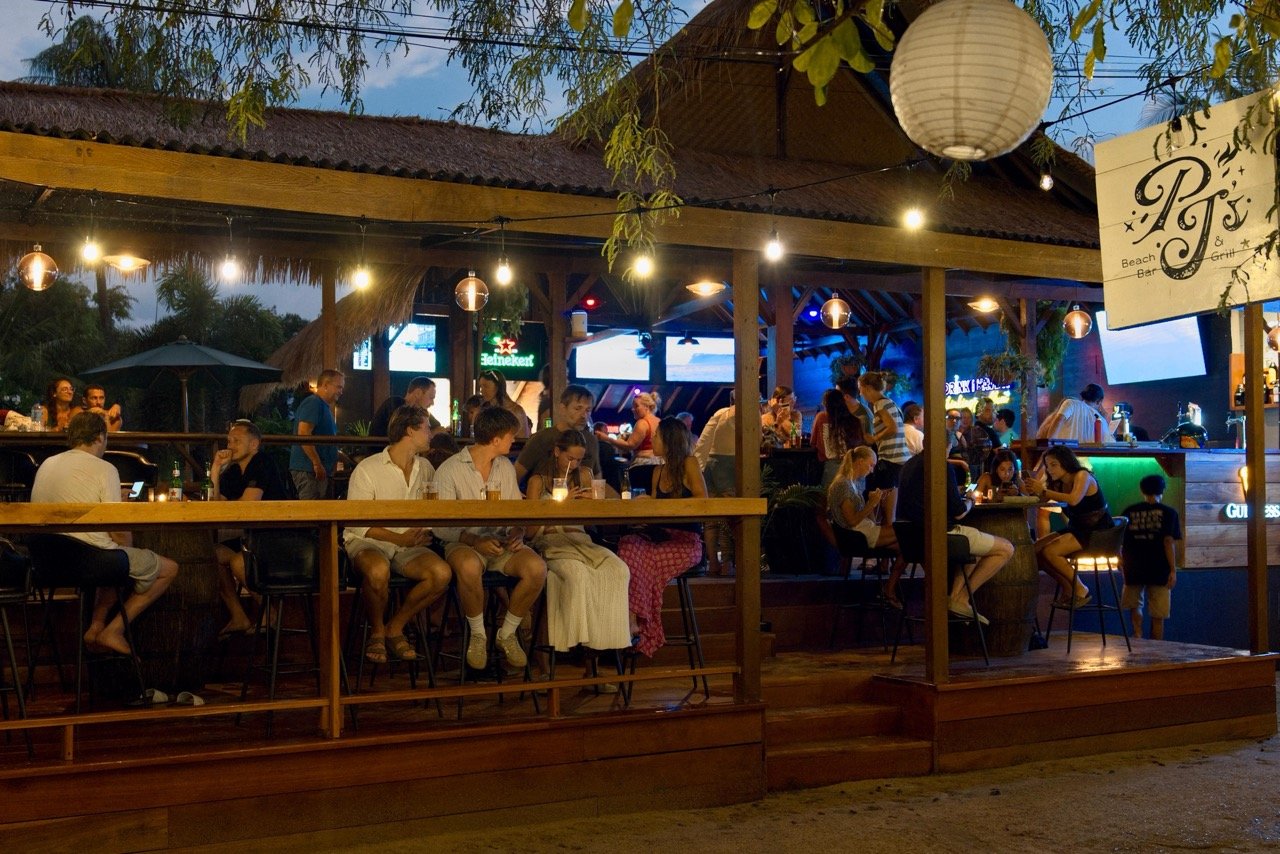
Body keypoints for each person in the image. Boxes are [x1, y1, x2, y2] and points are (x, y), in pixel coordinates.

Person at [30, 411, 179, 654]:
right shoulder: (104, 468)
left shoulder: (47, 463)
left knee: (113, 555)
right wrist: (126, 541)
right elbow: (119, 533)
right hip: (88, 562)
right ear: (100, 437)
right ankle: (114, 630)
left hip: (46, 561)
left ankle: (96, 626)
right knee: (165, 568)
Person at [434, 407, 547, 670]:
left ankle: (506, 633)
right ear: (496, 439)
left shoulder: (505, 467)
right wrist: (474, 541)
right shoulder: (450, 470)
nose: (514, 441)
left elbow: (512, 513)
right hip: (463, 542)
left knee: (537, 568)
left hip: (499, 542)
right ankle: (477, 635)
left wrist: (517, 532)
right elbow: (439, 526)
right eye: (510, 436)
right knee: (469, 565)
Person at [344, 405, 453, 664]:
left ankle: (395, 626)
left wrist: (426, 529)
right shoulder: (368, 468)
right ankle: (378, 632)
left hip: (409, 545)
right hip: (369, 540)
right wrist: (400, 538)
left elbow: (432, 510)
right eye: (426, 428)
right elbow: (356, 523)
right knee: (378, 570)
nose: (431, 434)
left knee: (441, 573)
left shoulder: (425, 467)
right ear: (410, 430)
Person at [525, 430, 631, 656]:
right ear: (556, 452)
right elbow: (530, 532)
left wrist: (594, 504)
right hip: (551, 543)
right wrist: (558, 507)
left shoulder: (584, 475)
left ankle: (606, 645)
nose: (573, 465)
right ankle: (578, 645)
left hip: (581, 541)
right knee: (577, 574)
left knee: (618, 569)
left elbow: (613, 503)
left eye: (579, 459)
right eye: (569, 458)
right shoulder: (538, 482)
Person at [617, 417, 708, 656]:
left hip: (685, 541)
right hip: (660, 537)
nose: (653, 439)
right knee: (627, 544)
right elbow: (658, 513)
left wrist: (658, 507)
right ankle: (634, 618)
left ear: (669, 440)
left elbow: (702, 501)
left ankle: (639, 623)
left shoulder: (689, 463)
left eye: (657, 436)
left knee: (643, 560)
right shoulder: (657, 471)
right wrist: (646, 509)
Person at [897, 450, 1014, 623]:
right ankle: (961, 599)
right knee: (1006, 548)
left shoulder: (907, 465)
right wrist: (969, 501)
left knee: (977, 548)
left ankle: (955, 597)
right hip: (941, 535)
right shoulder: (941, 466)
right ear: (948, 445)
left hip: (911, 538)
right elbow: (959, 513)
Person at [210, 418, 290, 637]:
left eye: (236, 440)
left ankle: (270, 612)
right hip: (253, 537)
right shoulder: (234, 471)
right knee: (211, 554)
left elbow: (249, 505)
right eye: (228, 440)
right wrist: (216, 469)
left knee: (238, 561)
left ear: (254, 444)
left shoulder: (263, 462)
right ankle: (239, 616)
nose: (230, 445)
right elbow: (216, 506)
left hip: (280, 539)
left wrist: (228, 505)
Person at [1025, 445, 1115, 607]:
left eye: (1054, 465)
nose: (1050, 469)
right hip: (1078, 527)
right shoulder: (1058, 483)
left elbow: (1073, 499)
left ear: (1066, 463)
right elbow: (1044, 500)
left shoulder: (1082, 475)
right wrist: (1027, 491)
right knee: (1034, 552)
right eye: (1047, 465)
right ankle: (1069, 588)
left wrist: (1043, 492)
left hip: (1097, 531)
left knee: (1050, 551)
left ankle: (1081, 588)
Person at [827, 446, 902, 606]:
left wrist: (874, 503)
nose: (872, 470)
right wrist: (871, 503)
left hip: (863, 531)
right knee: (909, 536)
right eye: (870, 465)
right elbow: (852, 521)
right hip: (855, 537)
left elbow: (870, 521)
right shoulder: (842, 485)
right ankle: (889, 591)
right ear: (860, 462)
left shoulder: (855, 483)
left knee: (906, 546)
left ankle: (889, 589)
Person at [1120, 474, 1181, 640]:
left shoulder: (1129, 511)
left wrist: (1120, 560)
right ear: (1163, 491)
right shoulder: (1169, 513)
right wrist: (1172, 570)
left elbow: (1120, 540)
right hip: (1159, 566)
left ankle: (1138, 634)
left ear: (1142, 490)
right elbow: (1168, 541)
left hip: (1133, 565)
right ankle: (1156, 646)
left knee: (1134, 604)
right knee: (1158, 612)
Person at [515, 384, 602, 481]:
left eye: (588, 410)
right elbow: (514, 477)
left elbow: (597, 480)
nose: (584, 415)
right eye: (578, 409)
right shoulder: (541, 439)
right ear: (563, 408)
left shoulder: (591, 440)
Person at [859, 371, 911, 526]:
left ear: (868, 388)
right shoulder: (890, 402)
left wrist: (873, 438)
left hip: (891, 460)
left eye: (860, 389)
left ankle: (888, 544)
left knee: (887, 514)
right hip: (899, 459)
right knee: (889, 511)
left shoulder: (880, 404)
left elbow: (892, 428)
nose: (861, 394)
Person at [693, 393, 736, 576]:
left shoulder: (720, 412)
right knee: (727, 516)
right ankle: (726, 564)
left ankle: (712, 564)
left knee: (711, 519)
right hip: (728, 465)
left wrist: (698, 468)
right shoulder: (748, 413)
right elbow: (756, 441)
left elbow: (703, 441)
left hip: (709, 464)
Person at [288, 369, 344, 499]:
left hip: (316, 470)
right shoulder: (313, 403)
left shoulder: (323, 407)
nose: (341, 391)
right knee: (311, 512)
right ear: (325, 385)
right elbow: (303, 433)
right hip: (309, 470)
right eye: (339, 387)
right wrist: (316, 463)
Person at [812, 388, 867, 488]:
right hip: (853, 465)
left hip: (831, 466)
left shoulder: (821, 417)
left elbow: (813, 441)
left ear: (825, 403)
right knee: (853, 500)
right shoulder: (855, 420)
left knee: (830, 500)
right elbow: (860, 443)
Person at [1037, 383, 1117, 444]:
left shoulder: (1071, 403)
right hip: (1086, 461)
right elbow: (1111, 443)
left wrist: (1049, 445)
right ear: (1099, 401)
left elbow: (1059, 420)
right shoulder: (1101, 420)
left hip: (1064, 457)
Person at [597, 391, 660, 463]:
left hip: (644, 464)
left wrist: (607, 438)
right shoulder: (659, 421)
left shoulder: (642, 423)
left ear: (647, 407)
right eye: (633, 406)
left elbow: (629, 446)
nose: (632, 409)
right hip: (659, 464)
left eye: (636, 406)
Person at [369, 376, 439, 440]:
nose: (432, 403)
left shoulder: (419, 411)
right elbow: (402, 433)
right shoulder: (395, 403)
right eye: (431, 398)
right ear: (418, 393)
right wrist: (433, 432)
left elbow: (438, 427)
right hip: (382, 451)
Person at [477, 368, 531, 438]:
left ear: (497, 387)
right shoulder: (484, 410)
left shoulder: (516, 411)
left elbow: (522, 440)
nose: (482, 391)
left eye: (486, 386)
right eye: (481, 387)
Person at [965, 398, 999, 479]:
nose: (992, 414)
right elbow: (1001, 453)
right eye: (987, 410)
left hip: (973, 477)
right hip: (987, 476)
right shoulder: (988, 431)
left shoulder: (971, 431)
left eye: (992, 410)